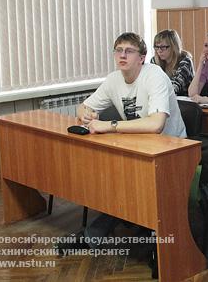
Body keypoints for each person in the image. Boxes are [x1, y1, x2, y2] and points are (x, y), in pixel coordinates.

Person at [68, 33, 187, 250]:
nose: (122, 55)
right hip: (137, 145)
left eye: (129, 51)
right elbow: (84, 107)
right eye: (118, 50)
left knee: (123, 183)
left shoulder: (155, 75)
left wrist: (110, 125)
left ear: (142, 58)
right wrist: (84, 114)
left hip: (172, 149)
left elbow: (156, 125)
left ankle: (159, 243)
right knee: (111, 180)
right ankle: (99, 234)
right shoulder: (114, 79)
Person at [151, 29, 194, 96]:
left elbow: (175, 87)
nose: (159, 51)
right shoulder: (154, 61)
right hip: (162, 99)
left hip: (183, 103)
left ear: (174, 46)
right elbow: (151, 84)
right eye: (157, 47)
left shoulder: (185, 61)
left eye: (163, 47)